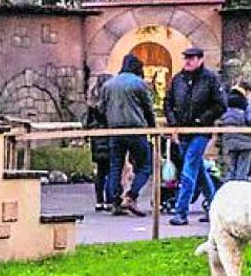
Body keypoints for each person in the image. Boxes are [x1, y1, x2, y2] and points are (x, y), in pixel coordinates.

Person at [165, 47, 225, 225]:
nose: (188, 61)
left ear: (200, 59)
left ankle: (181, 211)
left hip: (201, 131)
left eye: (192, 58)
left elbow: (220, 105)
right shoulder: (178, 79)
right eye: (186, 58)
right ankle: (215, 206)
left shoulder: (210, 79)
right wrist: (174, 123)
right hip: (183, 131)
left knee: (189, 168)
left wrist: (202, 120)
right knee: (197, 169)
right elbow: (168, 102)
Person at [101, 54, 155, 217]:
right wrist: (152, 128)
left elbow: (101, 108)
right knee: (145, 166)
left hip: (115, 130)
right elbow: (148, 108)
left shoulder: (108, 85)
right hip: (136, 129)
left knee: (115, 166)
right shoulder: (139, 84)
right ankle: (131, 196)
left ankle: (115, 201)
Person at [82, 84, 111, 211]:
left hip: (96, 142)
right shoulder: (109, 106)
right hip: (109, 140)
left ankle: (99, 200)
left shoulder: (92, 109)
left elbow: (86, 124)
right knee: (112, 171)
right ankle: (110, 200)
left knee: (100, 172)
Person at [218, 84, 251, 182]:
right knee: (242, 170)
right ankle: (239, 192)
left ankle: (229, 191)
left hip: (228, 141)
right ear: (247, 91)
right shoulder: (246, 104)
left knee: (231, 169)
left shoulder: (225, 103)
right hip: (246, 142)